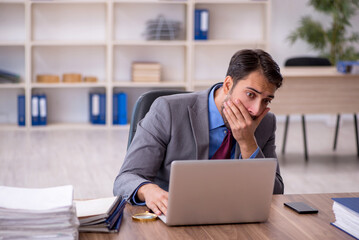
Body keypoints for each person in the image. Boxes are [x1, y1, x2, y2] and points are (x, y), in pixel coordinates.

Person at [113, 49, 284, 216]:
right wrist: (148, 190)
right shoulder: (167, 110)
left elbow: (276, 192)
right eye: (250, 94)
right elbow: (126, 179)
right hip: (174, 217)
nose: (256, 110)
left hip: (232, 218)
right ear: (228, 85)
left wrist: (248, 143)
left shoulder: (265, 123)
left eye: (266, 100)